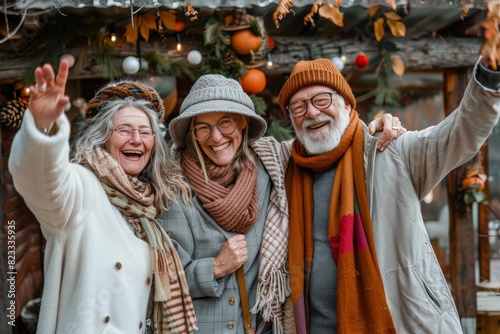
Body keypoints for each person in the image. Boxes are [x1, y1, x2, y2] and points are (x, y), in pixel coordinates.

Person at [158, 74, 403, 333]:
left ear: (242, 123)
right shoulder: (174, 188)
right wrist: (215, 267)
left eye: (225, 123)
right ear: (193, 134)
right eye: (203, 127)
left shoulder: (271, 165)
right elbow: (161, 278)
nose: (216, 137)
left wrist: (374, 127)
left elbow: (325, 136)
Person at [276, 57, 500, 333]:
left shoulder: (389, 151)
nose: (311, 113)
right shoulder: (282, 167)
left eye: (322, 99)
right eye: (298, 106)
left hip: (399, 323)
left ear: (346, 103)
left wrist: (489, 77)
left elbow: (458, 135)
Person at [8, 59, 197, 333]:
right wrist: (41, 128)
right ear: (103, 138)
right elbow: (41, 180)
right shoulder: (83, 189)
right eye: (123, 130)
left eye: (145, 132)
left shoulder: (147, 207)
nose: (136, 139)